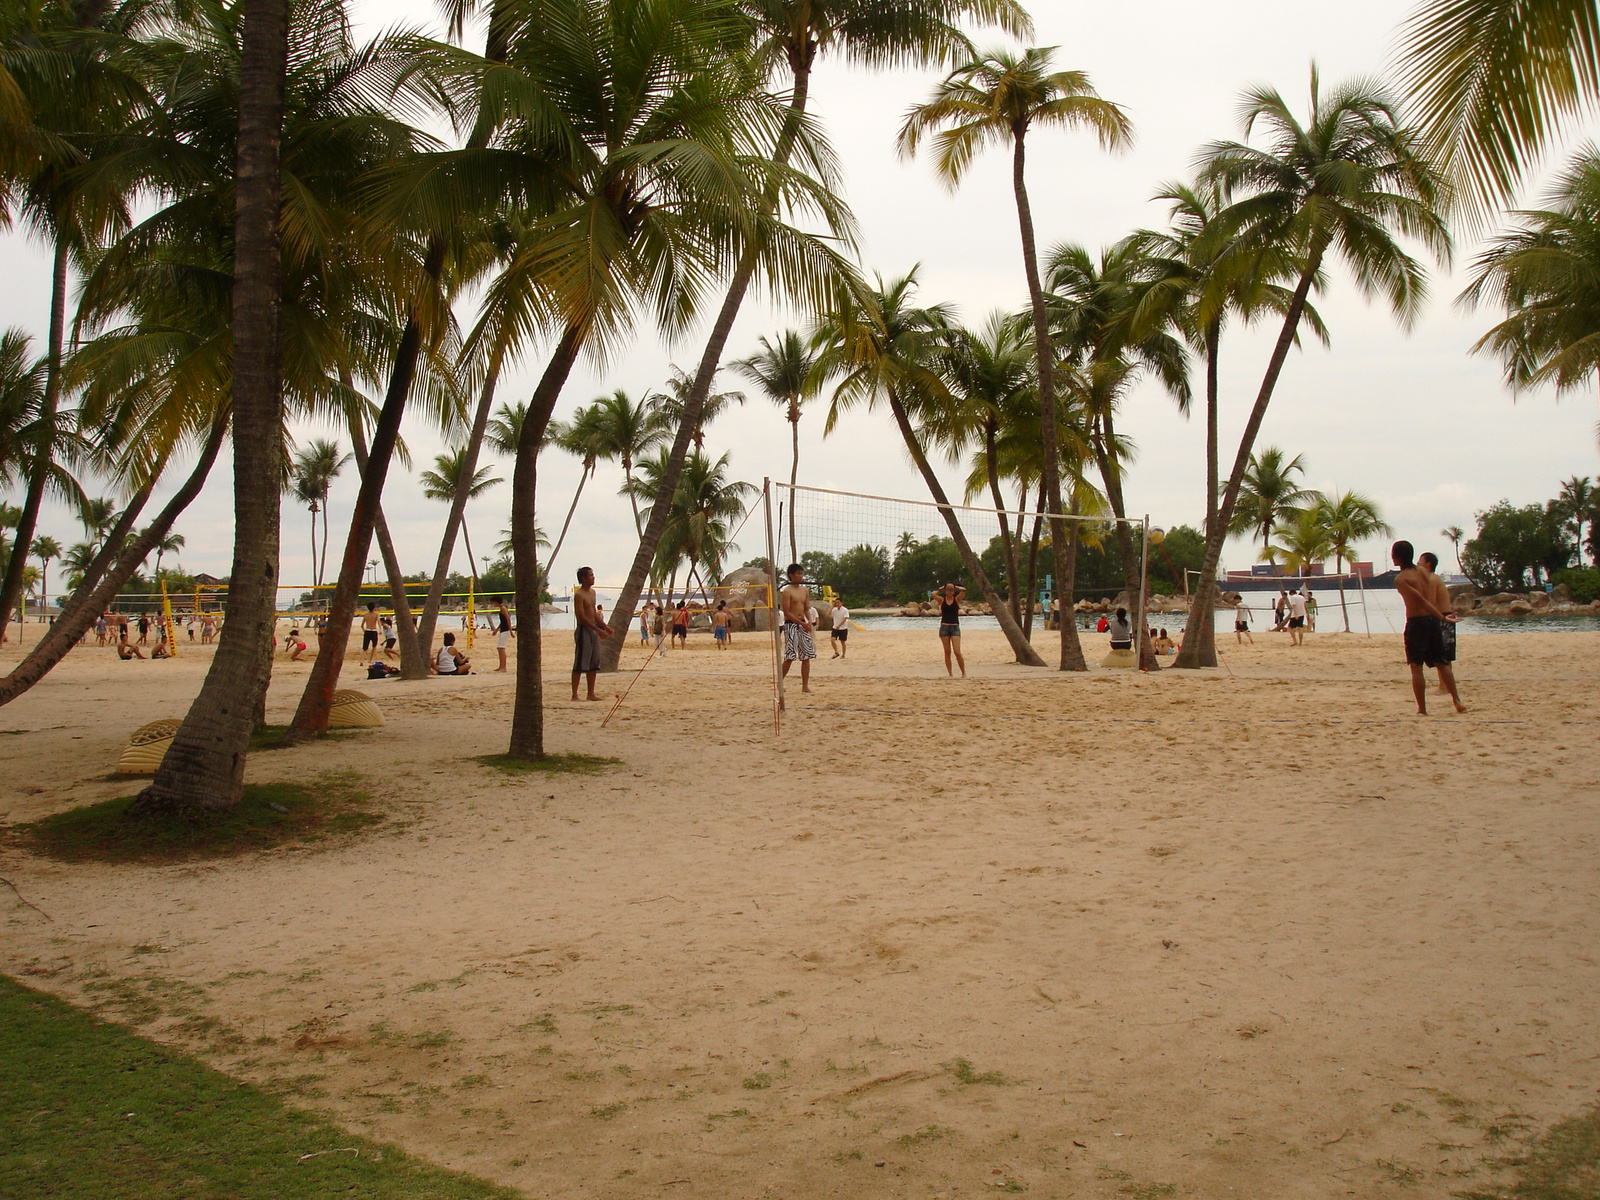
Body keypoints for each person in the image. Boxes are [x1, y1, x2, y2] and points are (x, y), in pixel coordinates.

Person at [1393, 540, 1465, 715]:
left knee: (1416, 666)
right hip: (1431, 620)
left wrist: (1442, 617)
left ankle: (1422, 709)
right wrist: (1439, 617)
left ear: (1397, 557)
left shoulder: (1401, 579)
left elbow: (1421, 600)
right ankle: (1457, 701)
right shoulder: (1423, 572)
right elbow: (1429, 598)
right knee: (1442, 662)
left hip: (1418, 622)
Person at [1419, 552, 1459, 694]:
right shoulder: (1432, 578)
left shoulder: (1431, 579)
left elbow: (1431, 602)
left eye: (1420, 561)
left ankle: (1444, 687)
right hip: (1443, 617)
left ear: (1428, 563)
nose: (1418, 563)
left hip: (1442, 618)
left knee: (1443, 655)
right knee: (1444, 655)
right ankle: (1446, 686)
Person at [572, 566, 612, 700]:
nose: (593, 577)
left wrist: (605, 627)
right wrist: (598, 630)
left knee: (594, 664)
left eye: (593, 575)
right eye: (590, 575)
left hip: (593, 629)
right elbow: (581, 617)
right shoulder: (579, 595)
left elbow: (594, 614)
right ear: (583, 578)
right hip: (584, 630)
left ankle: (591, 693)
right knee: (580, 663)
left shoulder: (592, 593)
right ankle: (575, 694)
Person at [779, 562, 816, 693]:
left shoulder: (804, 590)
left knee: (806, 656)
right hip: (791, 625)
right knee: (790, 656)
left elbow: (806, 609)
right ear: (791, 575)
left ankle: (805, 686)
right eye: (798, 574)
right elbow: (787, 612)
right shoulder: (787, 591)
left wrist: (809, 621)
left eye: (802, 574)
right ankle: (780, 683)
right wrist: (802, 623)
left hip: (803, 623)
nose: (801, 576)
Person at [934, 581, 967, 678]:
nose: (949, 591)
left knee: (957, 651)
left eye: (951, 589)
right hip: (944, 627)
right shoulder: (941, 600)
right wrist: (941, 588)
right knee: (947, 651)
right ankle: (950, 673)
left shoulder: (956, 600)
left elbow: (964, 590)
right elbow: (933, 594)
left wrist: (955, 587)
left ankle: (963, 672)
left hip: (955, 627)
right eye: (947, 589)